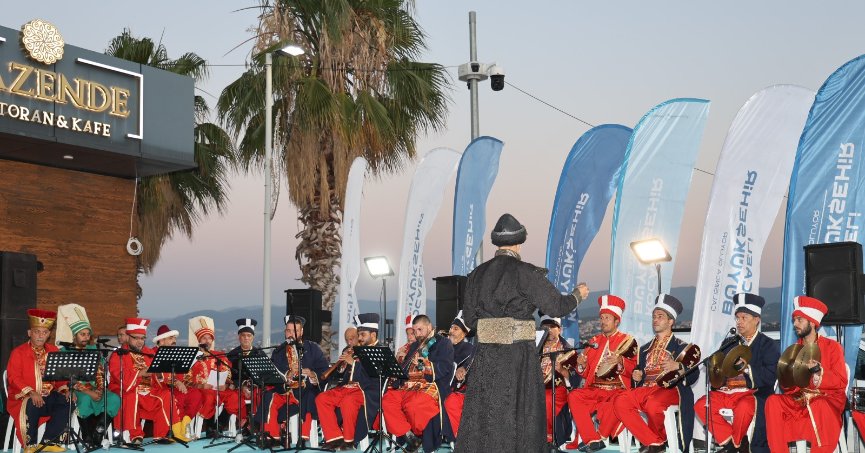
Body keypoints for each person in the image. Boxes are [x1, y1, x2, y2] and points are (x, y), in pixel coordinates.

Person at [454, 213, 584, 453]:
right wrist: (578, 295)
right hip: (517, 356)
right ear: (518, 243)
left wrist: (493, 326)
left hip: (486, 356)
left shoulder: (476, 275)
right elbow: (557, 306)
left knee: (487, 411)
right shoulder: (526, 273)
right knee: (518, 410)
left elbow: (470, 320)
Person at [613, 294, 698, 453]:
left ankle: (656, 442)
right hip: (646, 389)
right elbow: (638, 373)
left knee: (653, 404)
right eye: (654, 316)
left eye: (660, 316)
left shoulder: (682, 347)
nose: (655, 320)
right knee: (620, 401)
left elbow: (694, 375)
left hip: (670, 389)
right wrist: (637, 376)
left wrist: (678, 366)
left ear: (671, 321)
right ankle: (654, 442)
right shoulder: (644, 349)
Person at [693, 293, 778, 453]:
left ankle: (736, 444)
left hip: (751, 393)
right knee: (701, 405)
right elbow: (719, 373)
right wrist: (714, 370)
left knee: (744, 407)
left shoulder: (768, 345)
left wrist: (746, 368)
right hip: (727, 392)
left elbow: (771, 375)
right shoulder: (729, 342)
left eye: (744, 318)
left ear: (756, 319)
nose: (739, 322)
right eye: (737, 318)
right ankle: (732, 443)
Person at [765, 296, 846, 453]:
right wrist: (786, 376)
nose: (795, 324)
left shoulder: (832, 347)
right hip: (800, 401)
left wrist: (819, 373)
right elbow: (788, 390)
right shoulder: (794, 350)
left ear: (812, 322)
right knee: (772, 401)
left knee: (819, 404)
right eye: (794, 320)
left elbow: (841, 381)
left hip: (826, 400)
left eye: (799, 320)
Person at [564, 295, 636, 452]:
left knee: (617, 402)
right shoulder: (594, 342)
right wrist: (582, 365)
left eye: (607, 318)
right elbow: (586, 374)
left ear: (617, 321)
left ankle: (599, 436)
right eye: (601, 318)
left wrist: (620, 361)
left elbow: (635, 369)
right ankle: (593, 439)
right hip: (595, 389)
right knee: (574, 396)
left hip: (617, 390)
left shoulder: (628, 341)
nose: (603, 321)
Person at [108, 318, 189, 444]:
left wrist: (161, 375)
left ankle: (161, 435)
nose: (140, 342)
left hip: (147, 390)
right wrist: (140, 373)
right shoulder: (118, 354)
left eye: (143, 338)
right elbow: (120, 377)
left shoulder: (149, 353)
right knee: (131, 395)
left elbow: (161, 375)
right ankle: (135, 435)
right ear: (128, 337)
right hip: (126, 389)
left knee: (166, 394)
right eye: (136, 338)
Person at [382, 314, 454, 453]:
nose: (417, 334)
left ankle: (418, 439)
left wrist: (423, 364)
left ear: (429, 326)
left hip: (429, 385)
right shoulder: (414, 345)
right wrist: (397, 364)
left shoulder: (443, 343)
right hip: (408, 386)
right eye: (415, 331)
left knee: (413, 404)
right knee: (387, 400)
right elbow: (404, 371)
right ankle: (410, 437)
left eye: (420, 330)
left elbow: (445, 368)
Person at [6, 309, 70, 453]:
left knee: (66, 400)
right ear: (30, 333)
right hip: (24, 397)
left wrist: (65, 389)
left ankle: (49, 441)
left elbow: (60, 376)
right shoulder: (18, 352)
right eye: (37, 332)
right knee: (32, 402)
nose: (41, 335)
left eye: (44, 332)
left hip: (48, 396)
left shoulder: (54, 350)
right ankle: (30, 444)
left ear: (49, 334)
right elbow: (13, 377)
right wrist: (32, 392)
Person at [56, 304, 120, 448]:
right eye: (82, 334)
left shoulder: (93, 349)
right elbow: (68, 378)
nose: (86, 337)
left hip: (95, 388)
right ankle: (87, 437)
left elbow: (100, 373)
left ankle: (98, 432)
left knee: (114, 399)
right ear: (74, 335)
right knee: (84, 400)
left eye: (88, 334)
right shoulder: (65, 351)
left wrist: (100, 389)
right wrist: (89, 392)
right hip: (77, 389)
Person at [316, 313, 382, 450]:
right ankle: (334, 438)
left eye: (362, 335)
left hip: (366, 390)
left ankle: (348, 440)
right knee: (322, 398)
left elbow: (373, 377)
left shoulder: (379, 351)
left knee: (348, 401)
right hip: (347, 388)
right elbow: (343, 375)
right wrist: (342, 366)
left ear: (373, 335)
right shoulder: (356, 349)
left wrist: (354, 363)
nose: (360, 338)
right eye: (359, 334)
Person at [260, 315, 329, 445]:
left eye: (294, 331)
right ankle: (272, 437)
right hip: (286, 391)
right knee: (268, 396)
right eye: (288, 331)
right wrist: (288, 374)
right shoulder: (278, 351)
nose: (291, 334)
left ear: (301, 332)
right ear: (285, 331)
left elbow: (324, 370)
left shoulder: (313, 348)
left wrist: (312, 374)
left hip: (305, 389)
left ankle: (303, 437)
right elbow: (273, 374)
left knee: (310, 396)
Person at [186, 315, 238, 437]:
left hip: (218, 388)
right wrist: (201, 385)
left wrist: (225, 385)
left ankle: (219, 425)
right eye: (204, 338)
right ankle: (209, 427)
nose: (207, 341)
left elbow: (227, 373)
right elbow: (186, 379)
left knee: (234, 396)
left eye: (209, 338)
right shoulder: (192, 357)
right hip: (201, 389)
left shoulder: (219, 355)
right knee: (209, 396)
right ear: (199, 340)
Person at [539, 314, 578, 445]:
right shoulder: (535, 349)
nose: (548, 330)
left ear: (559, 329)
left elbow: (576, 377)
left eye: (552, 326)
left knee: (547, 399)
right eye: (545, 327)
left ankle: (549, 439)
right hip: (534, 387)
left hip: (558, 388)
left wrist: (561, 370)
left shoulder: (568, 351)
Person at [151, 324, 201, 425]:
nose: (174, 341)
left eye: (174, 338)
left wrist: (189, 383)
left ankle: (185, 423)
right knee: (180, 397)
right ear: (161, 341)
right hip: (161, 389)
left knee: (196, 394)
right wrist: (176, 382)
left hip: (176, 386)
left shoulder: (176, 353)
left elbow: (184, 374)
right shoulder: (152, 354)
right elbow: (159, 376)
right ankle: (176, 426)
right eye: (171, 338)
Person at [226, 318, 264, 431]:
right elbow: (229, 376)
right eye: (243, 335)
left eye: (249, 335)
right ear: (239, 337)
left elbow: (265, 375)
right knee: (233, 397)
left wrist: (253, 386)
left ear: (253, 337)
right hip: (237, 388)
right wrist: (242, 386)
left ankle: (256, 424)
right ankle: (243, 422)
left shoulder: (259, 354)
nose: (246, 338)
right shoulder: (232, 355)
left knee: (261, 395)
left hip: (256, 388)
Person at [443, 311, 475, 440]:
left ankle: (457, 439)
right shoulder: (444, 347)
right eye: (451, 328)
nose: (451, 331)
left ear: (464, 333)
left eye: (456, 329)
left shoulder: (469, 349)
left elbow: (468, 366)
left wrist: (463, 368)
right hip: (441, 387)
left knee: (450, 402)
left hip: (460, 390)